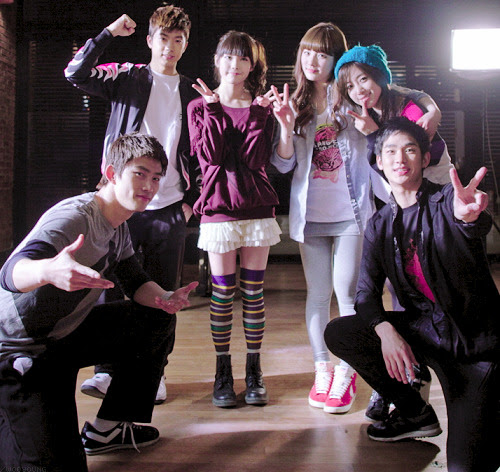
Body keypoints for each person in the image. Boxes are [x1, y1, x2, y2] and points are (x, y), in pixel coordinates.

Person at [270, 23, 441, 414]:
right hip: (309, 216)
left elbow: (397, 98)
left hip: (352, 214)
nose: (312, 61)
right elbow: (282, 165)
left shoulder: (353, 96)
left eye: (322, 54)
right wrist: (284, 127)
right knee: (317, 296)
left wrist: (429, 108)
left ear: (337, 60)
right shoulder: (295, 104)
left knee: (348, 294)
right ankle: (322, 370)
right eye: (307, 52)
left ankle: (348, 373)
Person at [0, 133, 198, 472]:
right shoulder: (74, 218)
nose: (149, 186)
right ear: (111, 173)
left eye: (156, 178)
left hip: (63, 336)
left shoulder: (118, 225)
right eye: (139, 174)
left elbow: (135, 281)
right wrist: (48, 270)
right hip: (21, 349)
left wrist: (165, 298)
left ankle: (110, 428)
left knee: (157, 318)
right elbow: (10, 272)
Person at [324, 117, 499, 472]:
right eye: (390, 151)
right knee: (341, 332)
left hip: (474, 347)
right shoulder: (380, 224)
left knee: (466, 466)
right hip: (426, 334)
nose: (399, 158)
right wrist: (386, 332)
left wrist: (468, 218)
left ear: (424, 159)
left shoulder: (448, 200)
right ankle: (414, 413)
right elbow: (365, 294)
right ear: (379, 162)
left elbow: (470, 221)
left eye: (410, 150)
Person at [65, 5, 199, 403]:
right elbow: (75, 72)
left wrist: (191, 202)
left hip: (169, 207)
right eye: (163, 38)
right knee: (108, 287)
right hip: (120, 206)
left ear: (185, 45)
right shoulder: (128, 76)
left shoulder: (192, 91)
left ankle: (153, 372)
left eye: (178, 40)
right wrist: (108, 33)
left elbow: (205, 151)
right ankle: (107, 370)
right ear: (149, 40)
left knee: (163, 294)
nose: (170, 47)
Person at [334, 44, 455, 419]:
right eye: (350, 85)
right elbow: (387, 166)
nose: (358, 90)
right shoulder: (366, 111)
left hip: (435, 198)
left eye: (364, 79)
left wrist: (377, 134)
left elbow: (412, 160)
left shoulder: (408, 106)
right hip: (399, 201)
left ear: (379, 76)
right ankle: (399, 386)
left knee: (426, 287)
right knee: (397, 286)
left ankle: (422, 380)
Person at [187, 30, 281, 408]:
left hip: (256, 207)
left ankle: (254, 371)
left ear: (252, 65)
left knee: (253, 292)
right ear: (217, 60)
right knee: (223, 292)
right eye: (228, 56)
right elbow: (210, 157)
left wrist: (258, 114)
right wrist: (213, 110)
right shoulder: (198, 106)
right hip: (219, 209)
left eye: (243, 58)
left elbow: (256, 160)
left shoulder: (261, 107)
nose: (235, 64)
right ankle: (222, 371)